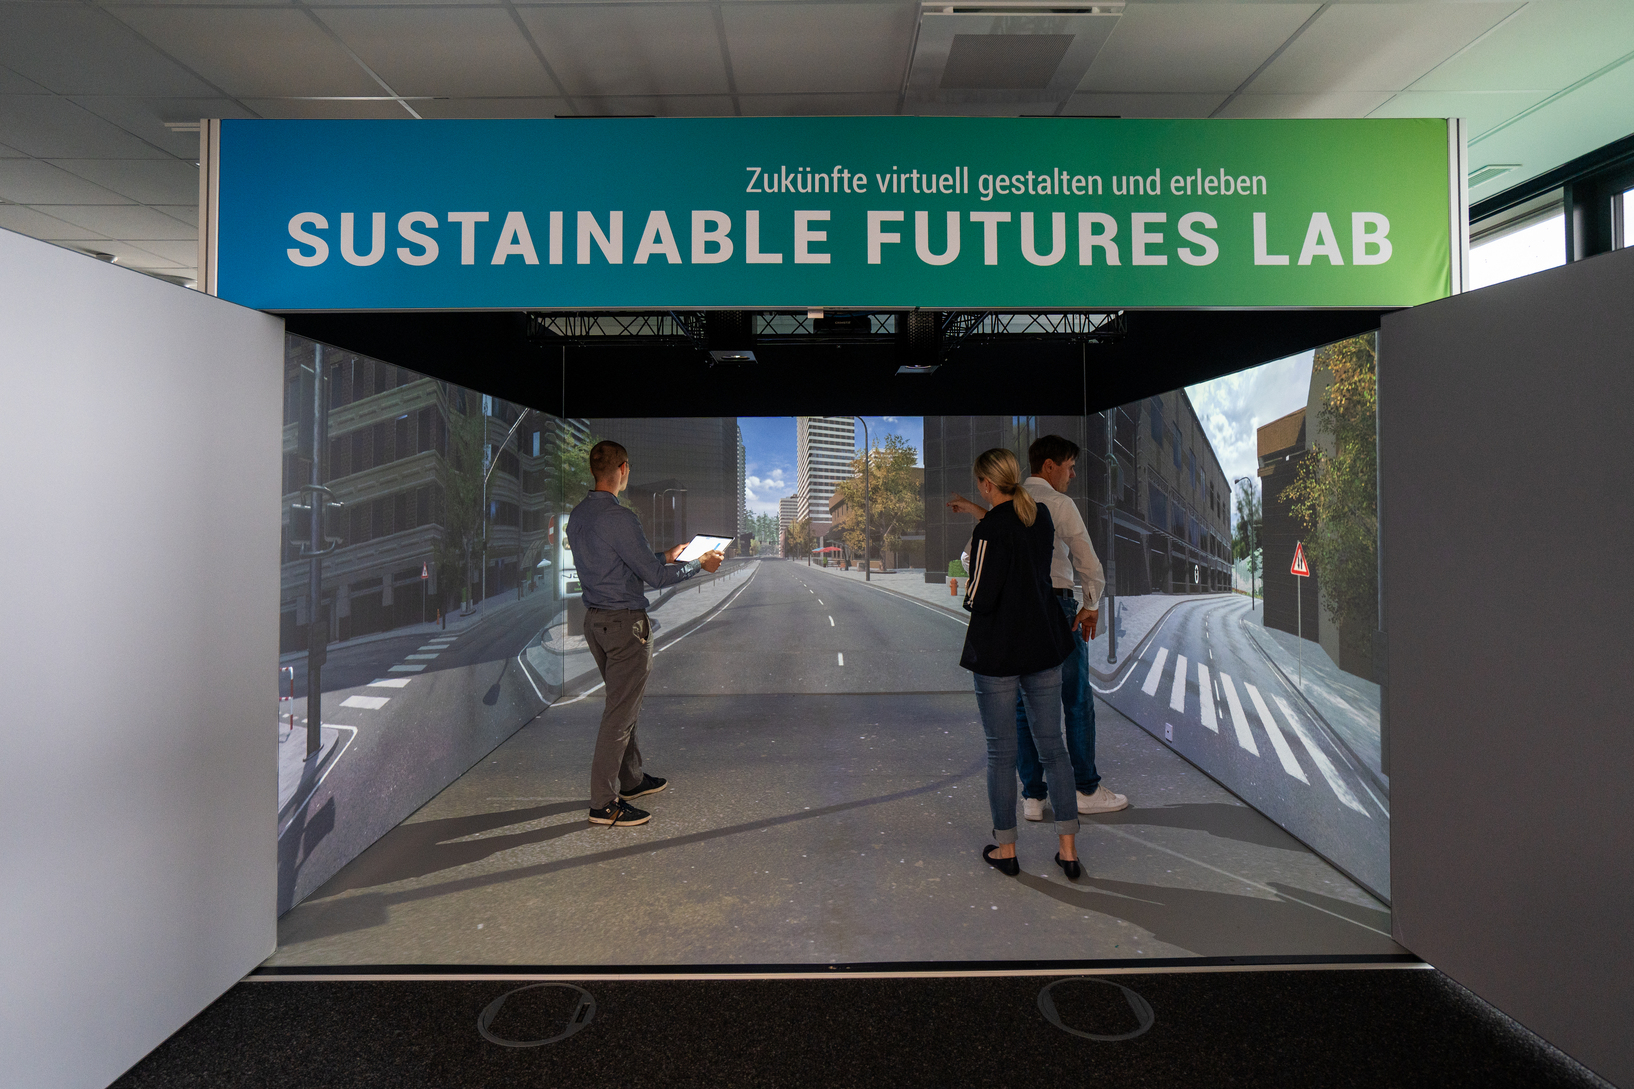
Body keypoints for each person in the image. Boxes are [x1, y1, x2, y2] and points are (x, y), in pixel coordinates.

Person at [950, 434, 1129, 820]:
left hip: (1012, 618)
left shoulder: (1004, 511)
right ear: (1048, 466)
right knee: (1075, 701)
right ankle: (1084, 791)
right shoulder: (1056, 505)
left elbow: (970, 559)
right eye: (1068, 466)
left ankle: (1032, 795)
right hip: (1058, 610)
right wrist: (1091, 605)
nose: (1072, 473)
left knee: (1018, 710)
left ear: (988, 483)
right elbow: (1087, 561)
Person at [566, 440, 724, 827]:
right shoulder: (621, 518)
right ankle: (604, 802)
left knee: (624, 704)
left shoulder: (579, 516)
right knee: (619, 715)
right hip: (625, 627)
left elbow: (624, 566)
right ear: (623, 469)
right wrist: (698, 565)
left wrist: (670, 555)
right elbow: (653, 579)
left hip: (596, 623)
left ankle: (631, 780)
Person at [957, 448, 1083, 881]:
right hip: (1043, 645)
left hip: (998, 653)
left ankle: (1007, 848)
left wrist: (970, 580)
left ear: (987, 484)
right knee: (1054, 747)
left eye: (980, 485)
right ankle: (1068, 850)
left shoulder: (990, 529)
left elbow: (980, 596)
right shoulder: (1041, 517)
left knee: (1001, 751)